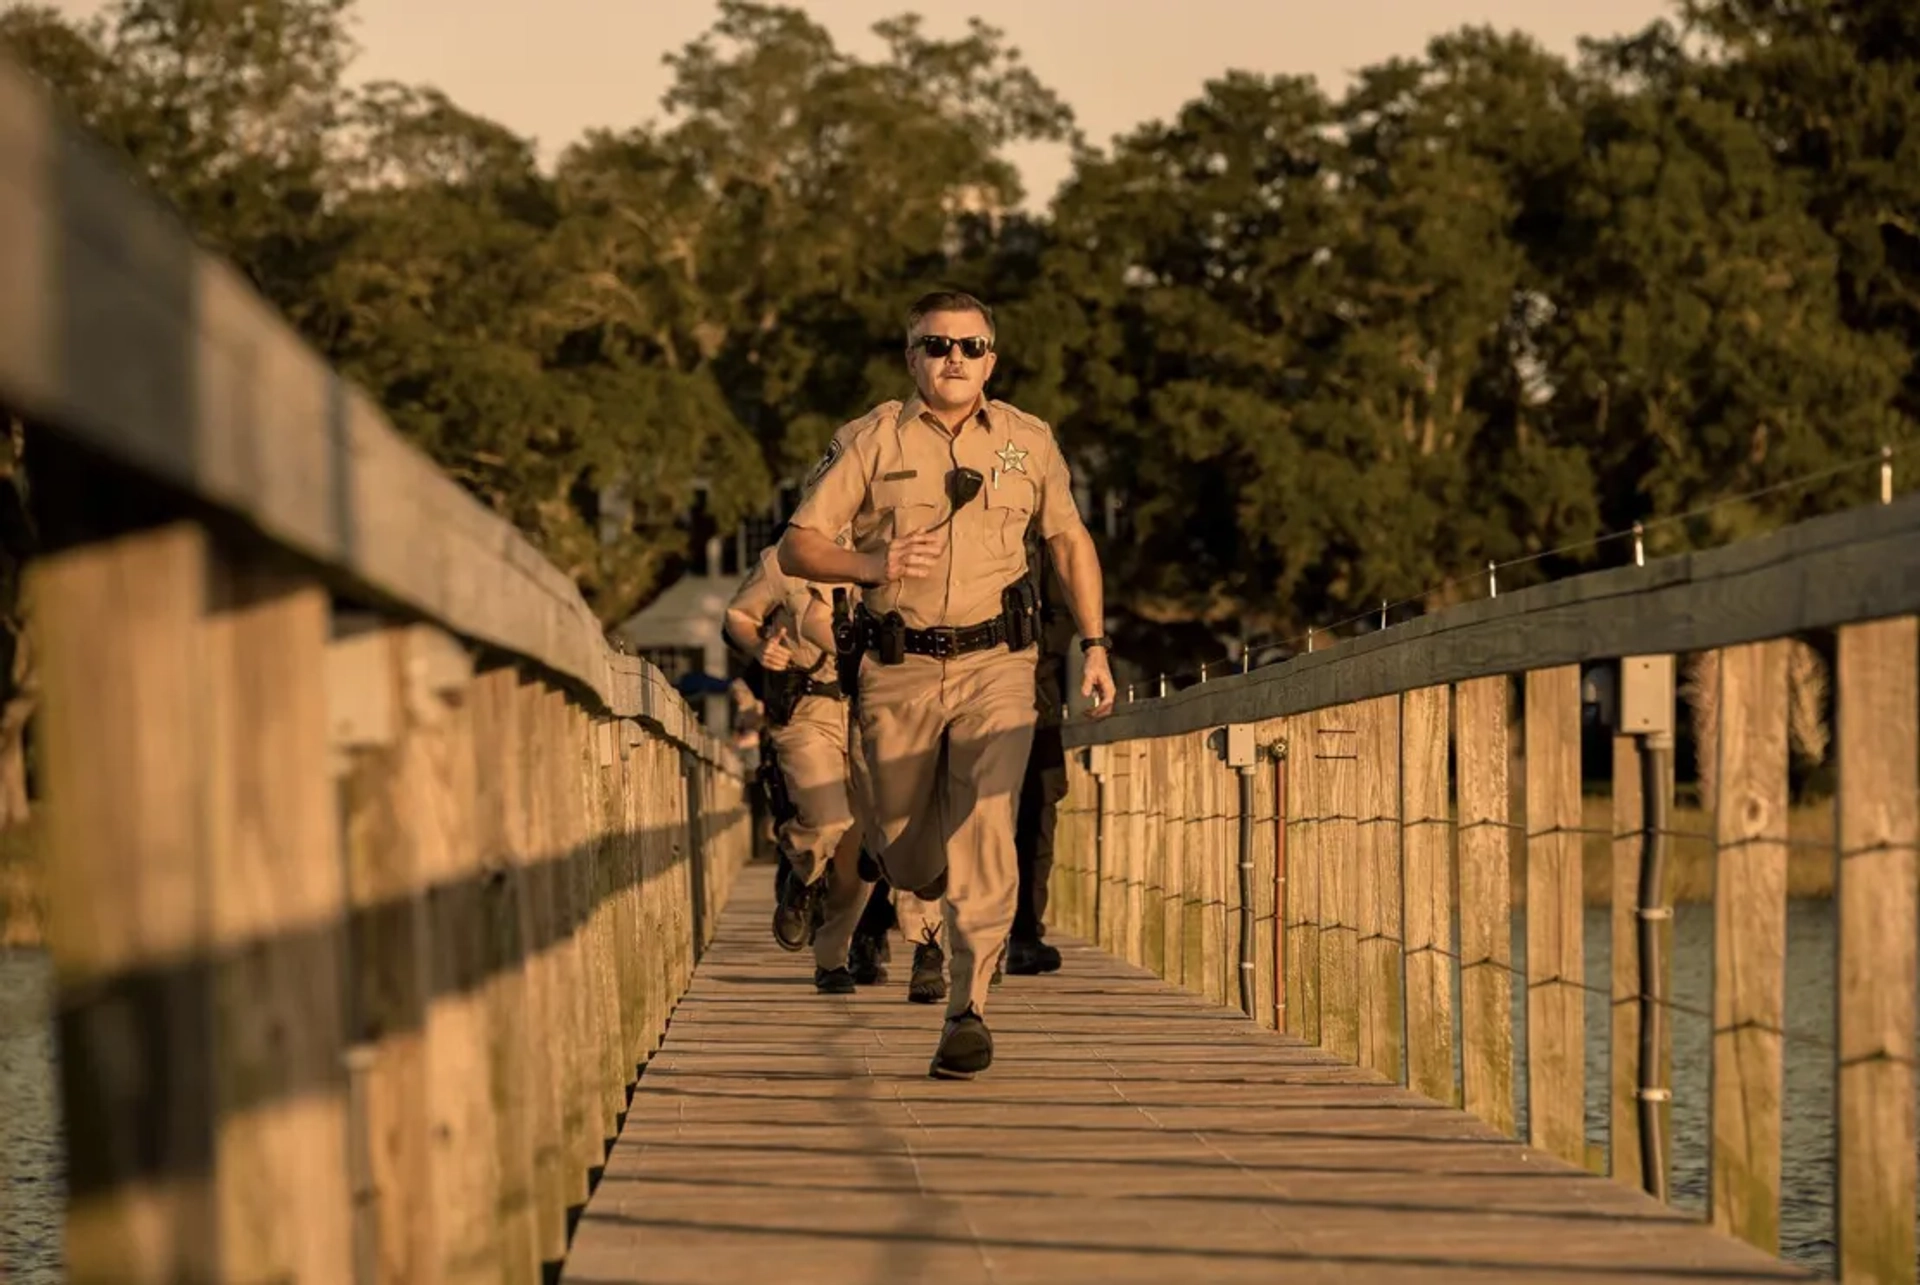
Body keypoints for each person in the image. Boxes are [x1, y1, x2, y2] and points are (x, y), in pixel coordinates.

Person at [778, 288, 1116, 1079]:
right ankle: (909, 874)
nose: (953, 359)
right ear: (911, 357)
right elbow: (797, 546)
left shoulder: (1029, 442)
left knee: (987, 828)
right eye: (936, 345)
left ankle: (969, 1008)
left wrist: (1095, 645)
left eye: (969, 346)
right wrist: (872, 564)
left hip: (998, 666)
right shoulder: (868, 440)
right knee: (903, 846)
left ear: (992, 358)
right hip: (897, 670)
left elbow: (1068, 541)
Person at [722, 543, 871, 992]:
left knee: (860, 851)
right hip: (808, 708)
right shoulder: (786, 558)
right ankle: (801, 874)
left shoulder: (894, 550)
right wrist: (761, 646)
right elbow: (738, 617)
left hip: (873, 712)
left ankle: (831, 958)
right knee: (829, 818)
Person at [1007, 533, 1073, 975]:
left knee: (1035, 816)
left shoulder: (1046, 542)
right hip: (962, 693)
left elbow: (1064, 618)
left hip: (1035, 701)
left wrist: (1021, 652)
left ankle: (1025, 934)